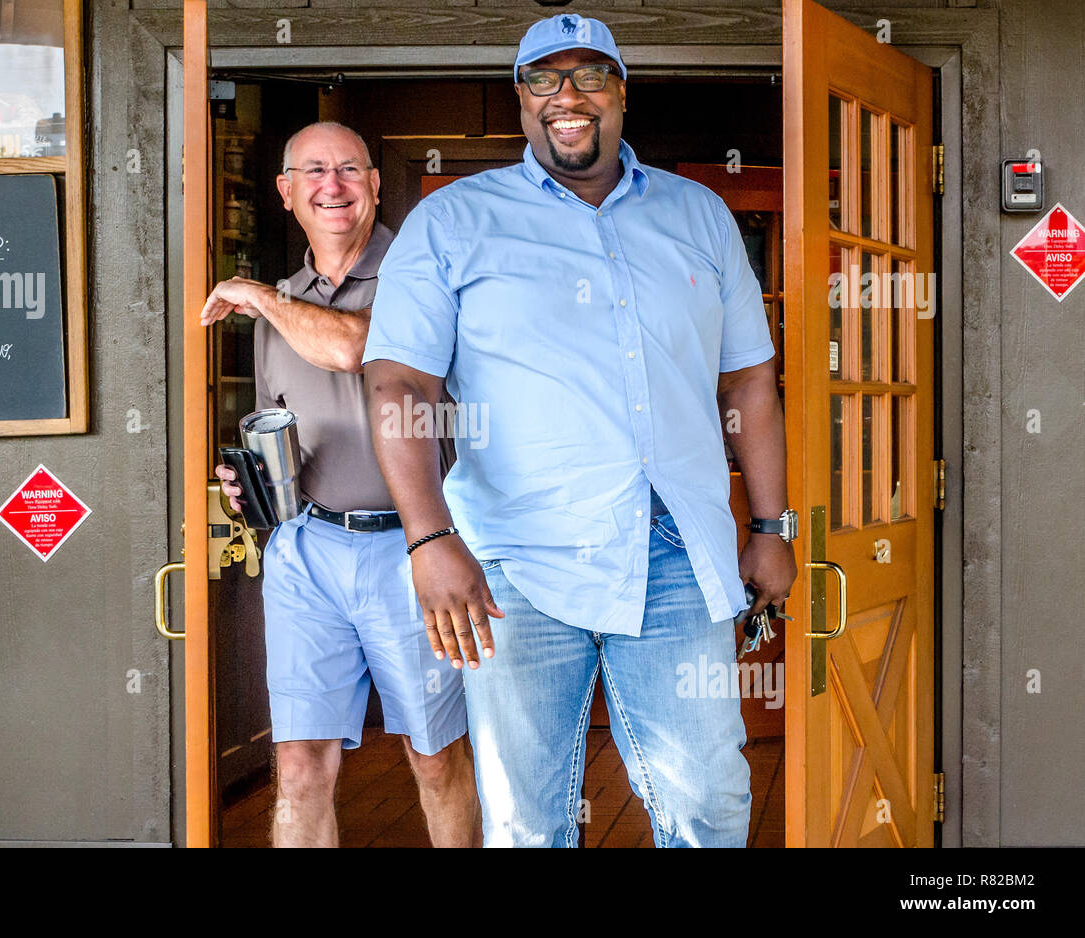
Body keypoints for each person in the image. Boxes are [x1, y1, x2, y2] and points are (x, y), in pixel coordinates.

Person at [361, 14, 798, 848]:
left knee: (707, 796)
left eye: (590, 75)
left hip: (673, 548)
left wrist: (773, 527)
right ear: (520, 100)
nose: (567, 97)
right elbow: (399, 382)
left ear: (622, 93)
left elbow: (747, 378)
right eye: (542, 79)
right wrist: (428, 539)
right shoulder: (455, 221)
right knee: (526, 816)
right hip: (510, 564)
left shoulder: (700, 215)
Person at [199, 121, 479, 848]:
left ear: (376, 185)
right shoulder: (280, 301)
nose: (333, 185)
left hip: (413, 547)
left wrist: (261, 298)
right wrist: (255, 483)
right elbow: (282, 420)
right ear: (286, 192)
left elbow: (359, 348)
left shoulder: (415, 274)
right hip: (307, 550)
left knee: (434, 757)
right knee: (297, 764)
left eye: (350, 169)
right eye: (313, 172)